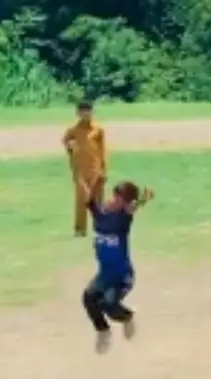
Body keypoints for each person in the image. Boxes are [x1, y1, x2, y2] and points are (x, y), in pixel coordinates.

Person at [81, 179, 153, 355]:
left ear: (125, 205)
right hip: (104, 277)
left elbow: (132, 207)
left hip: (122, 277)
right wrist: (75, 163)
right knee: (88, 298)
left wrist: (143, 200)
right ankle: (103, 331)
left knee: (108, 305)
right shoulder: (99, 215)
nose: (112, 200)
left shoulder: (122, 220)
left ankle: (128, 317)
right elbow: (86, 194)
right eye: (113, 196)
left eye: (119, 199)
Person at [62, 100, 108, 237]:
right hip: (80, 170)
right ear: (78, 113)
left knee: (98, 200)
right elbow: (66, 143)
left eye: (89, 112)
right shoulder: (72, 131)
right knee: (83, 199)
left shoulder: (98, 130)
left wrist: (104, 169)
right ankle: (80, 229)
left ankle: (100, 228)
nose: (86, 115)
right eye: (83, 112)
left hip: (96, 169)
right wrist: (70, 145)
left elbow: (103, 150)